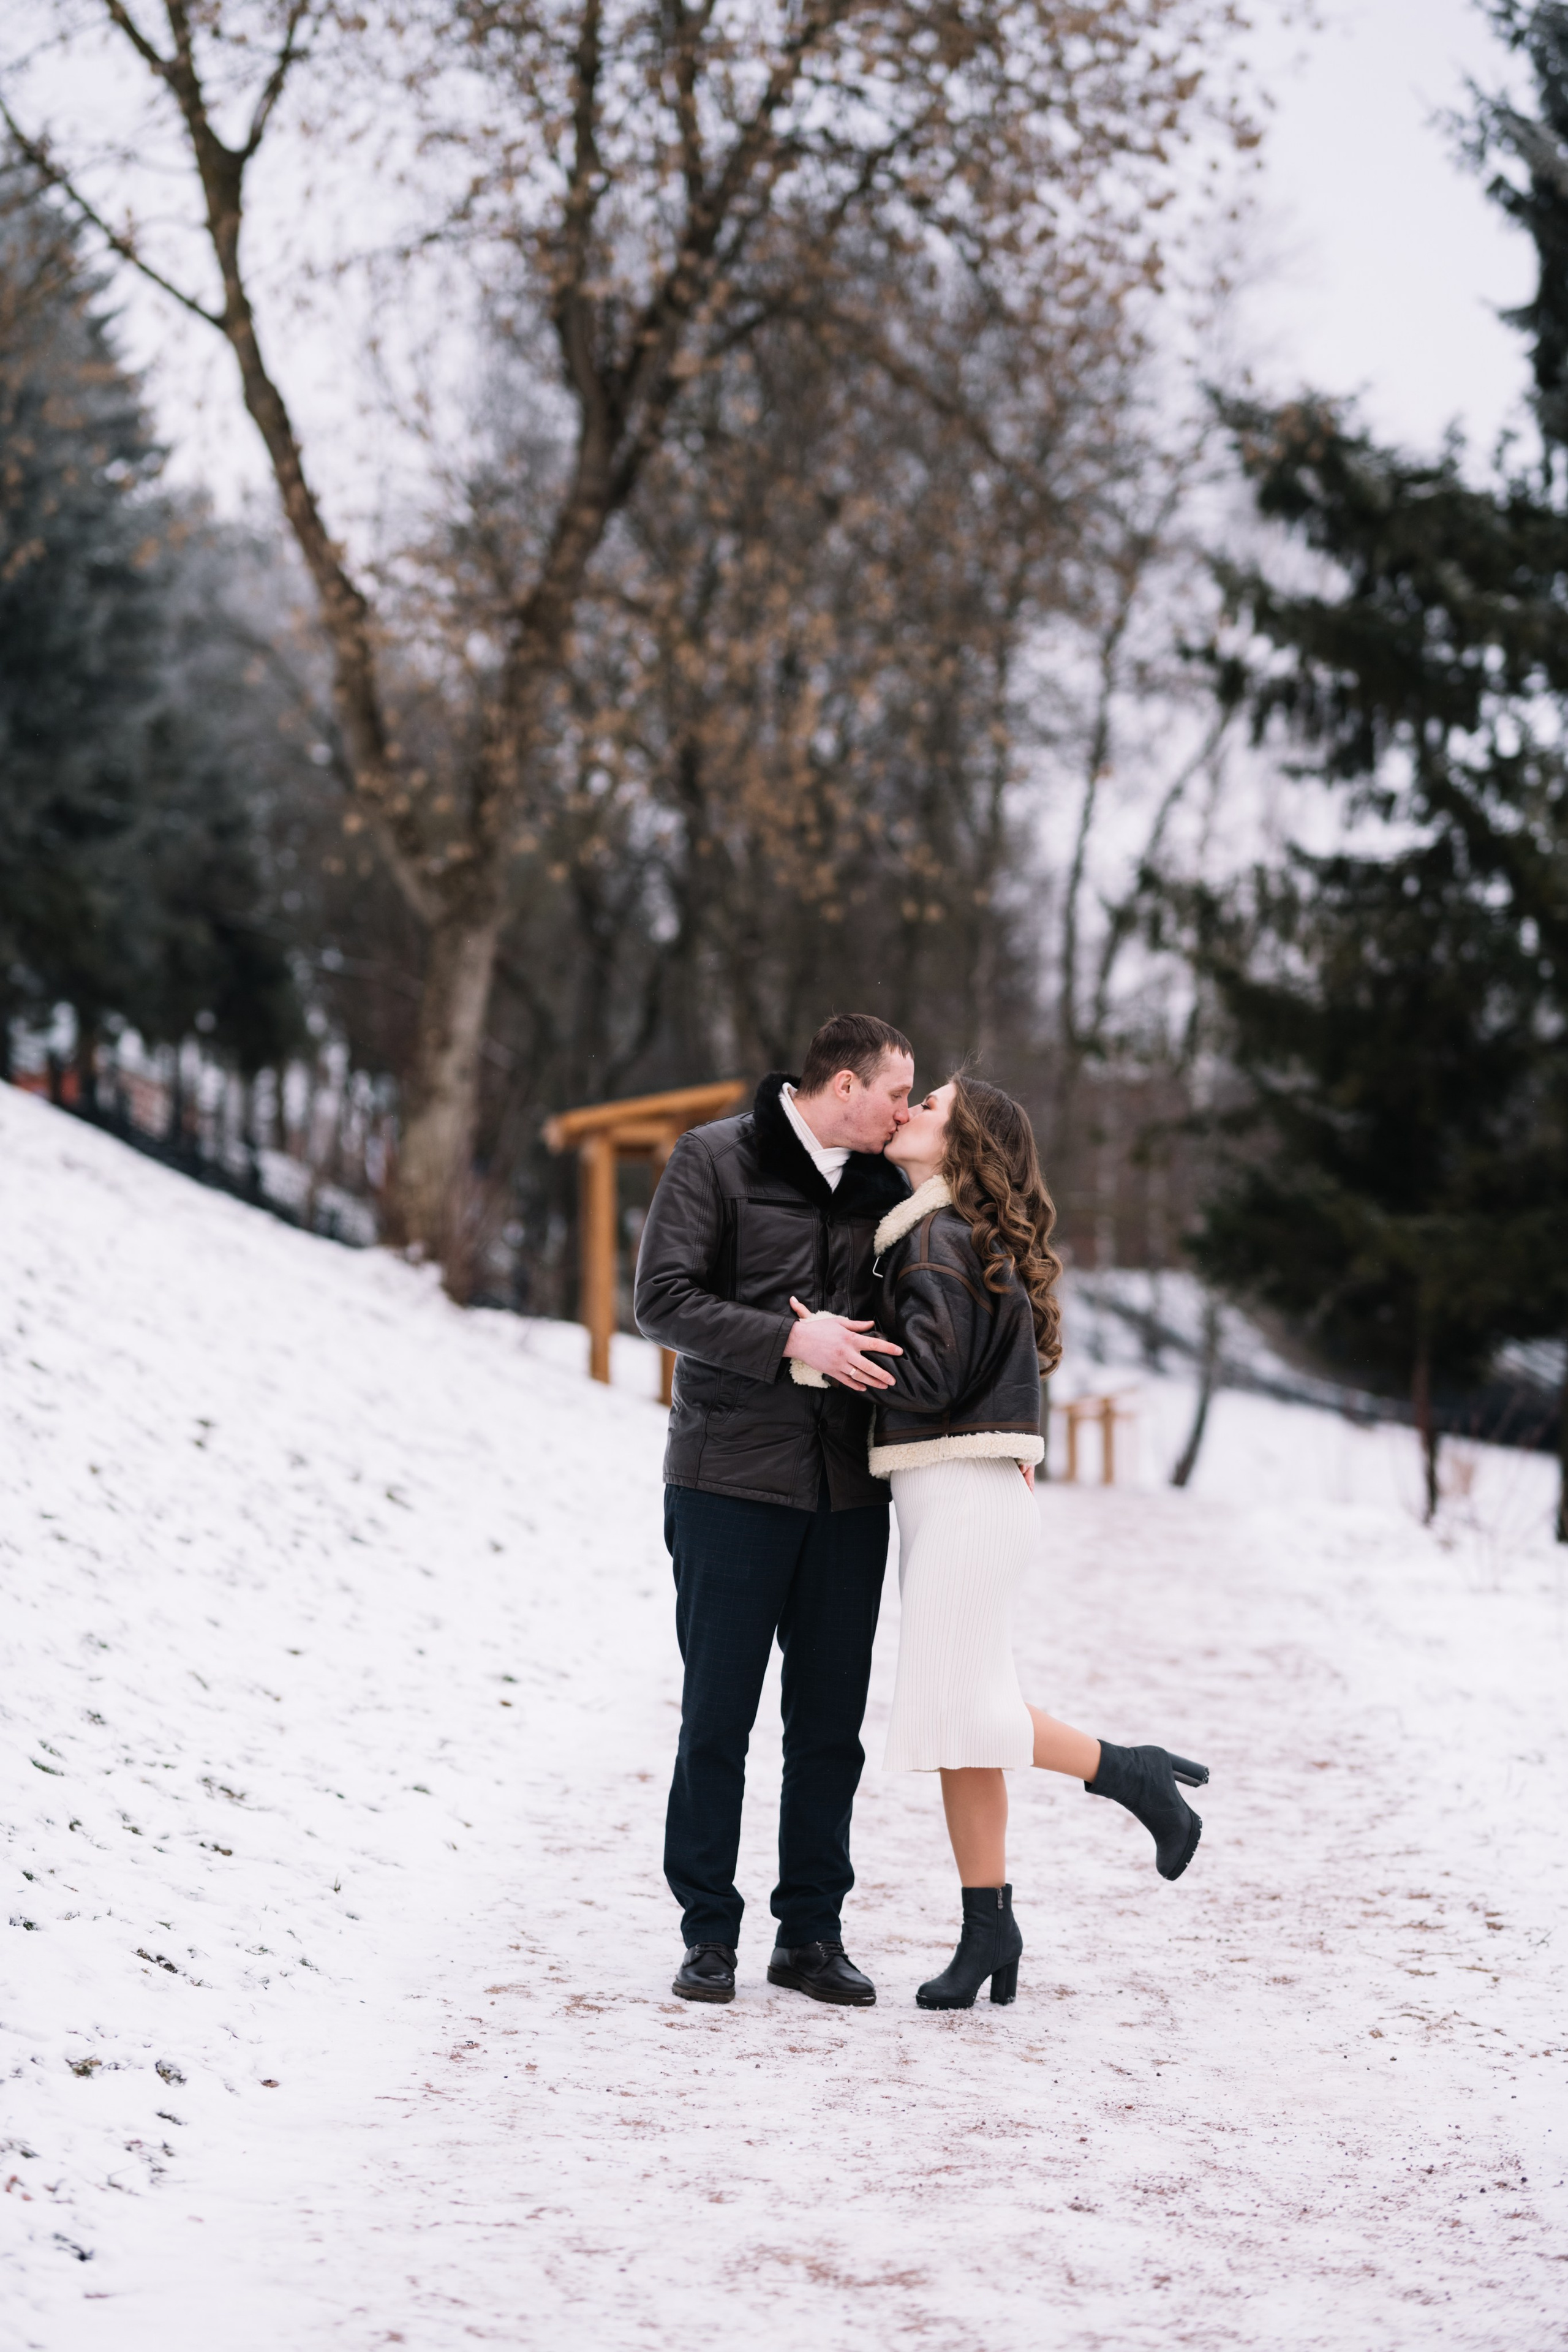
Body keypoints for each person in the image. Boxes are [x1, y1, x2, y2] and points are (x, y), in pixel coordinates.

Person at [834, 1073, 1209, 2011]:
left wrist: (827, 1355)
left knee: (963, 1712)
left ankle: (1133, 1774)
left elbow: (926, 1380)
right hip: (960, 1497)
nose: (910, 1109)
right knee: (968, 1722)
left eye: (932, 1106)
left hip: (964, 1499)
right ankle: (989, 1927)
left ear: (960, 1148)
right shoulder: (946, 1232)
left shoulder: (936, 1238)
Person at [633, 1014, 914, 2008]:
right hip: (726, 1483)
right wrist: (792, 1345)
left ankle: (811, 1937)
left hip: (847, 1496)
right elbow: (660, 1299)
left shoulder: (893, 1186)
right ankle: (708, 1935)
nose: (905, 1113)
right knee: (718, 1720)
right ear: (844, 1086)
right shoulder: (714, 1159)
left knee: (832, 1730)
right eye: (894, 1095)